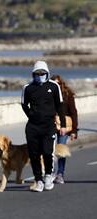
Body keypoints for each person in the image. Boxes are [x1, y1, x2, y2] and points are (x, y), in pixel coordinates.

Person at [21, 61, 66, 192]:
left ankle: (48, 175)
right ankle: (38, 180)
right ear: (33, 74)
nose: (40, 75)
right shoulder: (27, 88)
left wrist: (62, 125)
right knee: (34, 155)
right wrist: (31, 115)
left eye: (42, 73)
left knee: (47, 152)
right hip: (33, 127)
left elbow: (60, 106)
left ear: (47, 73)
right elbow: (24, 104)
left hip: (48, 126)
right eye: (37, 73)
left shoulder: (54, 86)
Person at [51, 75, 78, 184]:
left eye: (58, 83)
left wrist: (74, 131)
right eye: (54, 84)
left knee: (61, 151)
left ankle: (60, 173)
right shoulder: (49, 95)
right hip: (52, 126)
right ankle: (50, 173)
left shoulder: (68, 95)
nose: (57, 86)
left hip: (65, 127)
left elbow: (74, 113)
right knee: (50, 151)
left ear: (62, 84)